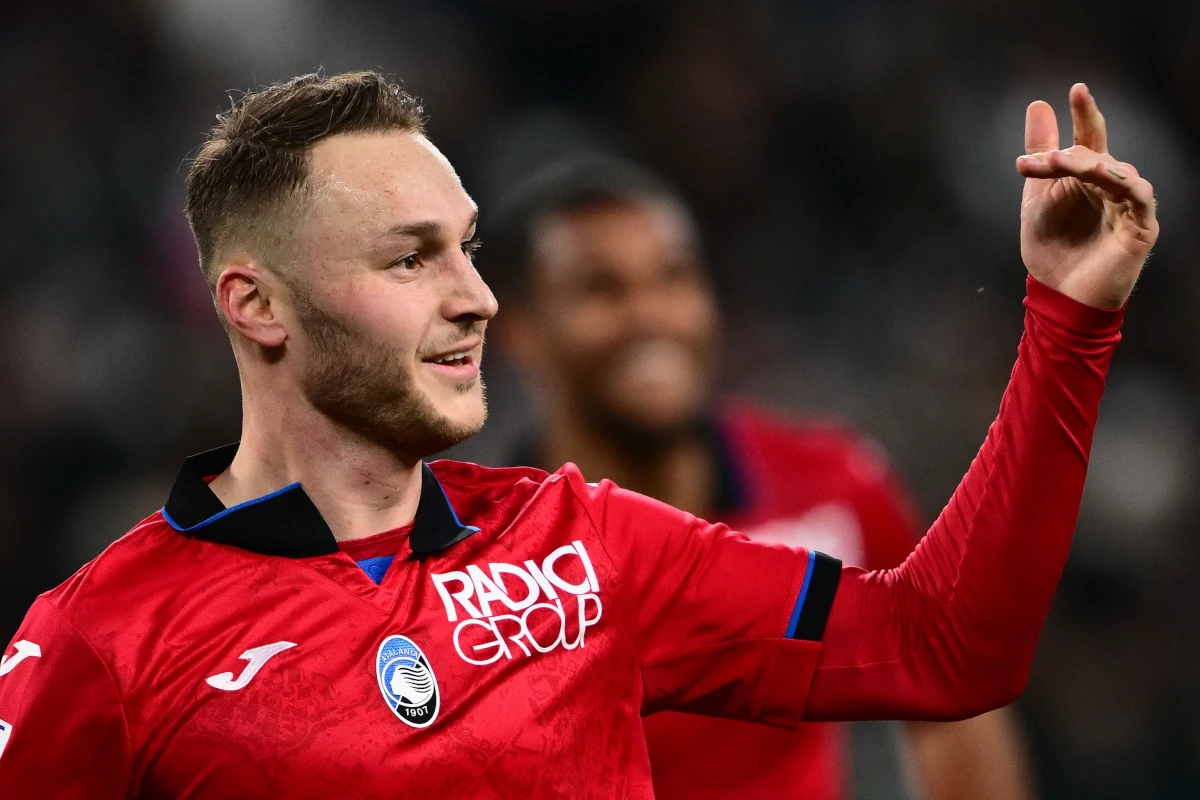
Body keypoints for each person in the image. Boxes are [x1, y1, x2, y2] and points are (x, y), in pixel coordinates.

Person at [0, 71, 1156, 798]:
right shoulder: (102, 643)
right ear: (258, 305)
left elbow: (946, 646)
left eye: (468, 248)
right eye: (412, 258)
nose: (477, 296)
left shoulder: (582, 544)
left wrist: (1069, 321)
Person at [488, 154, 1036, 800]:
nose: (652, 315)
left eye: (674, 277)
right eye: (600, 289)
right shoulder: (481, 568)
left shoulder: (832, 489)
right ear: (520, 331)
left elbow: (951, 703)